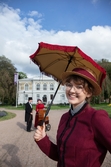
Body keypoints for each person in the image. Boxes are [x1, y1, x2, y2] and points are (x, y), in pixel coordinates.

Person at [34, 67, 111, 167]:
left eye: (79, 87)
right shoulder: (65, 117)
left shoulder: (96, 118)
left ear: (88, 93)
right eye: (69, 85)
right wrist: (43, 139)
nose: (71, 90)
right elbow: (60, 155)